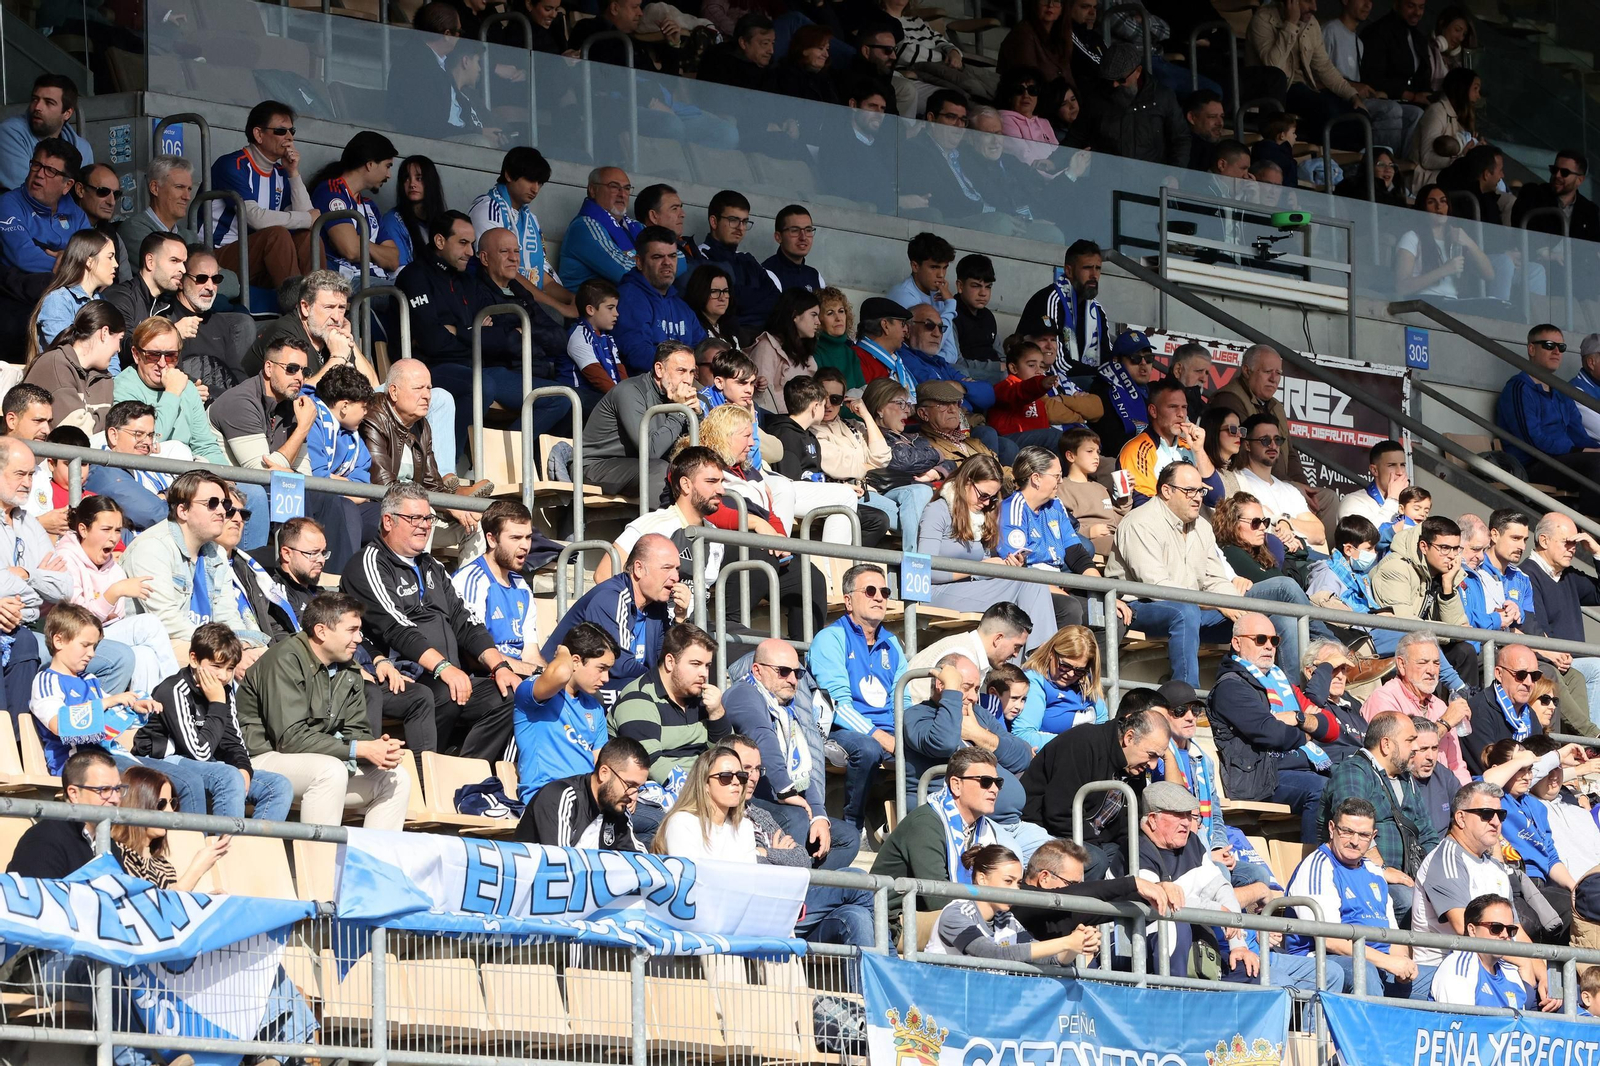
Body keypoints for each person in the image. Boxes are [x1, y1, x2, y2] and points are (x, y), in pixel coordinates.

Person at [341, 482, 520, 761]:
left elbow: (465, 621)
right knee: (444, 693)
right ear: (388, 521)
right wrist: (444, 668)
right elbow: (396, 627)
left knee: (508, 695)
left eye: (428, 518)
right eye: (415, 518)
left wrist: (500, 666)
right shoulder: (370, 563)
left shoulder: (432, 566)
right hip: (406, 675)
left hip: (450, 676)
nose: (424, 526)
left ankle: (466, 770)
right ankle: (427, 774)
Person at [1109, 461, 1318, 687]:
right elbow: (1158, 588)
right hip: (1139, 607)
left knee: (1268, 619)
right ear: (1166, 491)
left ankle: (1288, 694)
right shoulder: (1140, 522)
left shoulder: (1202, 526)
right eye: (1189, 491)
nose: (1198, 497)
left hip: (1196, 607)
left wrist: (1236, 606)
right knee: (1185, 611)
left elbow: (1215, 579)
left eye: (1200, 491)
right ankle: (1187, 696)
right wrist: (1217, 604)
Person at [235, 593, 411, 830]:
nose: (359, 638)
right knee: (330, 771)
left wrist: (377, 749)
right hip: (259, 758)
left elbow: (355, 730)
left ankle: (373, 864)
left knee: (396, 778)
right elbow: (290, 739)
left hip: (315, 760)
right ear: (321, 631)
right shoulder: (285, 659)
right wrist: (360, 749)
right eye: (352, 630)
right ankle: (321, 862)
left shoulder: (348, 668)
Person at [1133, 780, 1319, 988]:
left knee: (1254, 976)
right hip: (1146, 953)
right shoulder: (1136, 850)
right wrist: (1215, 910)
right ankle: (1174, 1002)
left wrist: (1238, 946)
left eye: (1189, 815)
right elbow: (1165, 903)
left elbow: (1221, 888)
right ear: (1152, 819)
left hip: (1202, 951)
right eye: (1178, 815)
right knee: (1177, 927)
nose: (1186, 822)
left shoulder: (1192, 843)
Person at [209, 336, 368, 572]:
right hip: (231, 485)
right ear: (268, 367)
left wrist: (285, 469)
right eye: (291, 369)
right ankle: (261, 575)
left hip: (275, 485)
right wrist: (303, 428)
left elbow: (303, 472)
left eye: (304, 370)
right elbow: (258, 473)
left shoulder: (294, 406)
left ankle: (336, 581)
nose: (299, 377)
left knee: (338, 502)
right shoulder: (240, 401)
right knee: (276, 493)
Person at [131, 622, 292, 823]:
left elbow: (233, 739)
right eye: (216, 666)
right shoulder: (174, 690)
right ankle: (223, 850)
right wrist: (216, 703)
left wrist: (243, 767)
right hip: (163, 759)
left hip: (207, 763)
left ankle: (252, 848)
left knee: (278, 785)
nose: (223, 676)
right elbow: (199, 752)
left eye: (230, 668)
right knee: (228, 777)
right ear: (194, 659)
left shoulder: (224, 689)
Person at [720, 640, 857, 865]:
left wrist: (819, 814)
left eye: (797, 672)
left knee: (847, 838)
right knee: (796, 817)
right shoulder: (743, 694)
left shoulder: (787, 710)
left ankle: (808, 889)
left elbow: (802, 769)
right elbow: (762, 737)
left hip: (777, 802)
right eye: (783, 672)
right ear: (758, 671)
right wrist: (786, 791)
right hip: (747, 801)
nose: (793, 680)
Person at [1208, 611, 1340, 842]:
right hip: (1261, 777)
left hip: (1300, 767)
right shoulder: (1231, 687)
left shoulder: (1281, 682)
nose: (1269, 646)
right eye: (1260, 639)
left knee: (1358, 785)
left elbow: (1330, 726)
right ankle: (1315, 866)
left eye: (1274, 640)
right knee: (1322, 790)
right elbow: (1271, 733)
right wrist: (1307, 732)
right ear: (1237, 643)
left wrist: (1298, 718)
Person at [1286, 797, 1432, 997]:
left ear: (1373, 836)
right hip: (1327, 961)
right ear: (1331, 828)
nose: (1354, 842)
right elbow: (1330, 940)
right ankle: (1371, 1028)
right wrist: (1387, 962)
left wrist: (1402, 965)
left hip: (1380, 963)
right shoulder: (1318, 866)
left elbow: (1393, 934)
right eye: (1347, 832)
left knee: (1441, 980)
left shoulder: (1374, 871)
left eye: (1363, 835)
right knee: (1363, 971)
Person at [120, 470, 271, 661]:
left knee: (267, 661)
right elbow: (166, 621)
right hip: (158, 645)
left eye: (224, 504)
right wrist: (229, 651)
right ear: (183, 511)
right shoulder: (152, 548)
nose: (222, 511)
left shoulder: (216, 552)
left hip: (203, 641)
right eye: (212, 504)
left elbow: (227, 614)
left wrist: (247, 646)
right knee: (226, 661)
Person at [45, 495, 179, 695]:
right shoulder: (65, 559)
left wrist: (103, 605)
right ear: (83, 529)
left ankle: (145, 718)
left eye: (117, 530)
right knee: (148, 624)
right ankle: (177, 692)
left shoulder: (113, 567)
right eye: (106, 529)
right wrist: (114, 593)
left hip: (103, 635)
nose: (114, 537)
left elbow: (113, 615)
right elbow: (76, 621)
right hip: (73, 638)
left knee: (144, 656)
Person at [915, 456, 1060, 641]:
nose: (986, 503)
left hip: (971, 587)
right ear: (966, 482)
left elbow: (980, 568)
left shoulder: (980, 517)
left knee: (1033, 581)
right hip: (934, 592)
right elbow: (924, 571)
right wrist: (980, 568)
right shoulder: (938, 510)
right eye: (983, 495)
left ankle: (1032, 663)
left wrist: (1004, 565)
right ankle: (1037, 662)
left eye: (992, 499)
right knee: (1028, 589)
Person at [1317, 711, 1438, 926]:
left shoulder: (1406, 779)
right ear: (1386, 744)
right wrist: (1381, 869)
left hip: (1407, 878)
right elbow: (1351, 826)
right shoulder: (1354, 771)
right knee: (1411, 904)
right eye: (1410, 740)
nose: (1416, 748)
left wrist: (1437, 876)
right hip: (1359, 875)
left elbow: (1427, 833)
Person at [872, 745, 1013, 923]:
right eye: (985, 781)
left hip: (939, 918)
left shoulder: (985, 829)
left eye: (997, 782)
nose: (994, 789)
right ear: (956, 785)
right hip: (895, 921)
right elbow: (937, 898)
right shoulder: (925, 823)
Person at [1021, 709, 1168, 878]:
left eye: (1159, 758)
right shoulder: (1082, 742)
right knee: (1097, 859)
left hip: (1089, 839)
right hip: (1043, 830)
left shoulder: (1135, 766)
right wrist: (1096, 846)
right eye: (1151, 755)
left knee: (1134, 854)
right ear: (1129, 738)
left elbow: (1127, 827)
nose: (1153, 765)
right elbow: (1059, 812)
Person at [360, 359, 485, 559]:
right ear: (393, 392)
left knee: (475, 526)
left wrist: (454, 505)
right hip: (386, 513)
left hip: (416, 510)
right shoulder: (374, 418)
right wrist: (441, 505)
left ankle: (464, 589)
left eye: (429, 388)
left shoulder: (422, 426)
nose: (427, 395)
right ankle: (418, 585)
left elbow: (432, 484)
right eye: (418, 388)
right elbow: (381, 484)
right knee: (423, 520)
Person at [615, 623, 728, 842]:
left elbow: (725, 756)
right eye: (695, 664)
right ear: (670, 662)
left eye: (707, 665)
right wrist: (702, 796)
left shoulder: (704, 699)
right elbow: (651, 761)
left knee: (791, 817)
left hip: (706, 792)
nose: (704, 674)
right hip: (657, 796)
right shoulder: (639, 698)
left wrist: (717, 713)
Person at [542, 533, 684, 704]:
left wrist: (680, 618)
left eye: (677, 569)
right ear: (639, 569)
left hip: (613, 684)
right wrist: (667, 682)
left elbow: (666, 659)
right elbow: (618, 665)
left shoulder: (655, 604)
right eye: (666, 568)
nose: (675, 577)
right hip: (566, 690)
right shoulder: (611, 597)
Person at [904, 654, 1036, 833]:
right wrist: (951, 694)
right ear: (941, 685)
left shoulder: (978, 714)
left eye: (976, 688)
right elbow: (943, 744)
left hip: (1011, 823)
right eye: (966, 688)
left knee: (1068, 856)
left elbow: (1023, 756)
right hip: (963, 826)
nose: (974, 697)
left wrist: (978, 734)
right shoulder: (918, 715)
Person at [208, 101, 316, 290]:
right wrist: (307, 218)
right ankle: (296, 308)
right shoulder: (232, 165)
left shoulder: (280, 172)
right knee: (276, 234)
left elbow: (307, 217)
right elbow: (254, 217)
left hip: (258, 257)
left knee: (308, 238)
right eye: (281, 131)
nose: (289, 137)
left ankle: (320, 301)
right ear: (258, 134)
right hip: (218, 256)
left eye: (292, 131)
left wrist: (293, 173)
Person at [928, 843, 1100, 960]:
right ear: (982, 878)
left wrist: (1074, 947)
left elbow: (1045, 960)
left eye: (1018, 883)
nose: (1016, 890)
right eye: (1008, 881)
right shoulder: (955, 913)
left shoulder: (1006, 919)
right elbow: (993, 955)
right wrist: (1066, 942)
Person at [1496, 325, 1600, 516]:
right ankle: (1591, 530)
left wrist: (1588, 448)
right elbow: (1533, 439)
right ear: (1531, 349)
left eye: (1561, 347)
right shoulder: (1518, 388)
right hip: (1533, 465)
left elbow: (1577, 433)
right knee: (1596, 464)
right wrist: (1576, 450)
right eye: (1549, 345)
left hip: (1563, 461)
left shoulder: (1560, 390)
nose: (1556, 352)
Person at [510, 622, 618, 804]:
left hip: (586, 798)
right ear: (575, 661)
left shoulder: (595, 707)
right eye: (601, 668)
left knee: (655, 818)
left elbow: (601, 765)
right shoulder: (533, 690)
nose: (606, 678)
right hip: (546, 796)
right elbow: (560, 674)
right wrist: (563, 651)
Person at [467, 147, 576, 320]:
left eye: (540, 183)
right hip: (497, 299)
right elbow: (502, 271)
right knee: (555, 317)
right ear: (509, 175)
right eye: (531, 180)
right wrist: (560, 308)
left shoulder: (530, 218)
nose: (535, 188)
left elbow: (543, 276)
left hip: (526, 299)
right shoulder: (488, 209)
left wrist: (573, 300)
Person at [1483, 740, 1574, 943]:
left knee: (1581, 903)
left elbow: (1550, 857)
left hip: (1542, 886)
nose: (1527, 776)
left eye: (1530, 769)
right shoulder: (1495, 798)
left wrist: (1574, 886)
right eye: (1520, 769)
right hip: (1515, 883)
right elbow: (1486, 781)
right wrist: (1549, 757)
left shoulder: (1536, 806)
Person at [111, 316, 229, 466]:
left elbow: (205, 447)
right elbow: (147, 443)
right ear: (136, 354)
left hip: (189, 474)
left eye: (170, 356)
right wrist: (172, 393)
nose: (162, 363)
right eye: (153, 355)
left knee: (253, 489)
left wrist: (228, 482)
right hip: (145, 472)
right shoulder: (124, 387)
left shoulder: (187, 387)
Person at [1522, 512, 1600, 739]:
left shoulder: (1568, 575)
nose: (1573, 548)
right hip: (1550, 660)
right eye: (1567, 542)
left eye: (1575, 543)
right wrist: (1552, 652)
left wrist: (1596, 551)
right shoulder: (1527, 574)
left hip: (1574, 662)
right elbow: (1532, 626)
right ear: (1544, 541)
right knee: (1596, 668)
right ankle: (1594, 742)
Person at [1370, 516, 1476, 682]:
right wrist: (1452, 633)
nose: (1452, 556)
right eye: (1444, 548)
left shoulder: (1443, 573)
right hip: (1389, 647)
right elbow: (1403, 624)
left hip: (1423, 641)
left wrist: (1447, 586)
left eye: (1456, 549)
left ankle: (1464, 704)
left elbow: (1459, 627)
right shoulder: (1396, 568)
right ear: (1424, 546)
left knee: (1464, 651)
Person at [1363, 631, 1472, 786]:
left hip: (1442, 795)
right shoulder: (1384, 699)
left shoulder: (1440, 705)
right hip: (1403, 791)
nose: (1432, 671)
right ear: (1401, 664)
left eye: (1436, 663)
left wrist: (1468, 804)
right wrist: (1445, 723)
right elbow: (1396, 754)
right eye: (1422, 663)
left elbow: (1456, 766)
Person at [244, 270, 381, 389]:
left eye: (341, 308)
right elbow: (300, 396)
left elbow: (374, 386)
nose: (337, 318)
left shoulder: (330, 335)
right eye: (328, 307)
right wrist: (338, 357)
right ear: (305, 307)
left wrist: (348, 342)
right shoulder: (284, 335)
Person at [516, 734, 649, 849]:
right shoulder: (560, 798)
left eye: (638, 788)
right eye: (629, 784)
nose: (633, 795)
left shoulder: (618, 808)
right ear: (604, 773)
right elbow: (560, 863)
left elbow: (639, 861)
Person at [7, 747, 122, 877]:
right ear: (74, 793)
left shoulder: (108, 843)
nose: (116, 799)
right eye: (104, 789)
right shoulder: (44, 840)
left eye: (118, 789)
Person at [308, 131, 401, 284]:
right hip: (349, 282)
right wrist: (376, 251)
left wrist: (361, 243)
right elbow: (350, 250)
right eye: (387, 166)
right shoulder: (330, 192)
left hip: (380, 281)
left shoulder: (370, 206)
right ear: (370, 164)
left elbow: (393, 260)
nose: (389, 175)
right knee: (407, 297)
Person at [614, 227, 707, 374]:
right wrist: (683, 369)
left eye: (672, 256)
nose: (667, 262)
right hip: (645, 388)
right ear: (639, 262)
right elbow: (638, 355)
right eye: (658, 257)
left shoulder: (680, 306)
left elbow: (704, 348)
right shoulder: (629, 298)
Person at [1119, 376, 1222, 507]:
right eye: (1173, 407)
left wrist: (1199, 450)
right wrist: (1188, 492)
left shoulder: (1189, 446)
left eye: (1184, 407)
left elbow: (1217, 500)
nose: (1181, 414)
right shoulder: (1137, 449)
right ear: (1153, 411)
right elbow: (1144, 505)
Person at [1512, 151, 1600, 303]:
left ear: (1579, 180)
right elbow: (1521, 227)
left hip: (1577, 276)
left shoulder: (1589, 209)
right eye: (1554, 170)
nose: (1557, 175)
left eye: (1564, 172)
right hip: (1541, 266)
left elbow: (1591, 248)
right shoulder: (1533, 194)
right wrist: (1546, 253)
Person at [1234, 413, 1328, 551]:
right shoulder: (1239, 480)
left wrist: (1285, 521)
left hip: (1305, 561)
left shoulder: (1289, 490)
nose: (1273, 445)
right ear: (1247, 445)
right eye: (1265, 440)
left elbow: (1319, 534)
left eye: (1277, 440)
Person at [23, 300, 119, 435]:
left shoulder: (105, 378)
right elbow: (76, 433)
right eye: (119, 339)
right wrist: (111, 419)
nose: (119, 349)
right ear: (104, 333)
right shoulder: (55, 364)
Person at [27, 230, 118, 365]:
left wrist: (112, 383)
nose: (116, 264)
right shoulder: (58, 300)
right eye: (110, 257)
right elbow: (67, 353)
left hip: (98, 382)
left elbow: (112, 357)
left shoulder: (103, 301)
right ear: (89, 261)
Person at [1430, 894, 1536, 1009]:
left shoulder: (1509, 970)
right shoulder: (1458, 969)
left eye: (1510, 929)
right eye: (1496, 928)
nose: (1505, 935)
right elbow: (1460, 1024)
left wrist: (1525, 964)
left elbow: (1521, 1017)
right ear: (1472, 930)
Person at [0, 139, 88, 273]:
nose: (39, 174)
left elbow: (94, 254)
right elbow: (24, 256)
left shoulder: (77, 214)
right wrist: (71, 266)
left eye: (50, 171)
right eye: (36, 165)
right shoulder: (8, 204)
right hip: (26, 289)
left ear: (67, 185)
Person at [1020, 241, 1108, 375]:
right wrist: (1097, 377)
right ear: (1069, 271)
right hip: (1048, 378)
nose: (1094, 275)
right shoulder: (1051, 299)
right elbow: (1055, 362)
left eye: (1098, 268)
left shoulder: (1097, 310)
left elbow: (1107, 355)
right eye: (1087, 268)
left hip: (1082, 380)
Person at [1095, 43, 1190, 166]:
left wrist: (1174, 175)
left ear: (1138, 72)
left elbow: (1181, 138)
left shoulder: (1163, 97)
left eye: (1121, 80)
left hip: (1151, 179)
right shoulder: (1097, 96)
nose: (1114, 85)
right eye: (1110, 80)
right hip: (1109, 179)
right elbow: (1078, 136)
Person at [1014, 625, 1108, 749]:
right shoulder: (1035, 681)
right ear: (1051, 653)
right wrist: (1079, 744)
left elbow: (1103, 727)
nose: (1070, 674)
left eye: (1079, 670)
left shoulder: (1086, 681)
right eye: (1065, 666)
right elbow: (1024, 735)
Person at [1395, 184, 1495, 299]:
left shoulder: (1456, 238)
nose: (1439, 207)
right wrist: (1445, 270)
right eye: (1431, 202)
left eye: (1443, 201)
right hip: (1424, 303)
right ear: (1423, 208)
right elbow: (1401, 287)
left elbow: (1489, 275)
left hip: (1453, 304)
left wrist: (1469, 242)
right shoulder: (1411, 238)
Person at [0, 75, 93, 191]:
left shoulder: (83, 148)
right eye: (35, 99)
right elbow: (28, 192)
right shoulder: (10, 133)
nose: (37, 107)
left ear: (67, 113)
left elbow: (85, 196)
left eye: (49, 102)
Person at [558, 168, 645, 290]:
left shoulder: (635, 226)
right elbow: (624, 272)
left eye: (626, 188)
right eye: (614, 187)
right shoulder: (584, 227)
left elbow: (666, 253)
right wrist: (661, 267)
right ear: (593, 190)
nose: (622, 194)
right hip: (589, 307)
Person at [1460, 509, 1536, 644]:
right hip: (1481, 650)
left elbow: (1530, 626)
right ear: (1494, 535)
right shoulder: (1472, 569)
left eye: (1525, 540)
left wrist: (1518, 612)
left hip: (1515, 649)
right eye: (1515, 538)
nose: (1522, 547)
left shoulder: (1522, 579)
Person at [1215, 493, 1310, 590]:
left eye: (1265, 521)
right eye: (1255, 522)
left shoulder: (1261, 552)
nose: (1263, 527)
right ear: (1234, 524)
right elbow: (1282, 586)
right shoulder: (1230, 551)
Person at [748, 290, 821, 413]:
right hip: (775, 425)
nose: (818, 322)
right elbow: (762, 401)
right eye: (813, 315)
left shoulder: (806, 354)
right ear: (795, 315)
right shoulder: (766, 347)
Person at [380, 156, 445, 274]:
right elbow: (400, 270)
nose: (412, 184)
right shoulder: (393, 220)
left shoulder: (443, 220)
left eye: (419, 178)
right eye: (406, 178)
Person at [1338, 439, 1409, 527]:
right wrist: (1393, 499)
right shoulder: (1353, 501)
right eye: (1392, 465)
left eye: (1402, 465)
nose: (1400, 472)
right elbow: (1368, 538)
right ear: (1374, 470)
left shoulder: (1411, 503)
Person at [1411, 717, 1455, 837]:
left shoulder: (1443, 775)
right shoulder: (1394, 780)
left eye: (1434, 748)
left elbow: (1467, 813)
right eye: (1423, 749)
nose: (1430, 756)